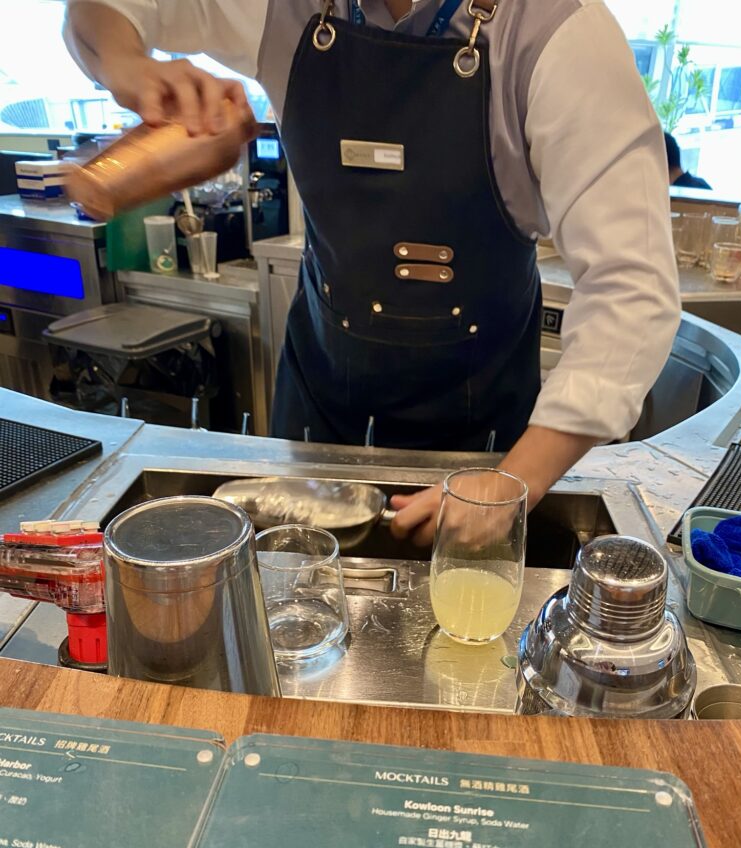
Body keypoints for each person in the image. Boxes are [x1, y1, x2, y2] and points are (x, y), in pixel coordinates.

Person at [65, 0, 680, 545]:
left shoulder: (558, 32)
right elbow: (104, 8)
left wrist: (514, 480)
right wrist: (129, 66)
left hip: (485, 439)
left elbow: (632, 288)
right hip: (317, 412)